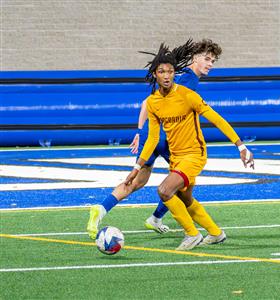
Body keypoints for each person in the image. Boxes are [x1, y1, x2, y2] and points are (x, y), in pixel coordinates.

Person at [123, 40, 254, 250]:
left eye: (170, 71)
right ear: (155, 75)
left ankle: (192, 234)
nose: (166, 75)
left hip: (194, 155)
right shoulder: (154, 102)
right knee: (185, 198)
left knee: (165, 191)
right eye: (162, 71)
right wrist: (137, 167)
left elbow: (217, 119)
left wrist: (240, 146)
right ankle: (216, 233)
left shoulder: (187, 95)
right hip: (176, 157)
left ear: (175, 73)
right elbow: (154, 139)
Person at [86, 39, 223, 240]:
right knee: (181, 183)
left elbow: (147, 103)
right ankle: (166, 222)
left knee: (138, 181)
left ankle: (102, 208)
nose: (210, 64)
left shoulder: (177, 76)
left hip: (151, 135)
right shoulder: (187, 80)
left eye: (213, 60)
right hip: (167, 138)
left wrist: (140, 131)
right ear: (194, 58)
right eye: (207, 59)